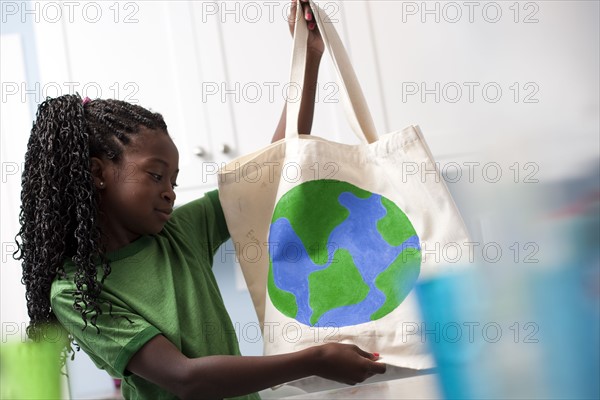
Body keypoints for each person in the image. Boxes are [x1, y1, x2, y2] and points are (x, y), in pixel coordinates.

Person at [14, 1, 386, 399]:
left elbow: (277, 165)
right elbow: (186, 378)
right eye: (156, 175)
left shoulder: (181, 231)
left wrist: (308, 59)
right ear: (96, 173)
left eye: (174, 179)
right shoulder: (76, 290)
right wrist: (314, 359)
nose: (169, 191)